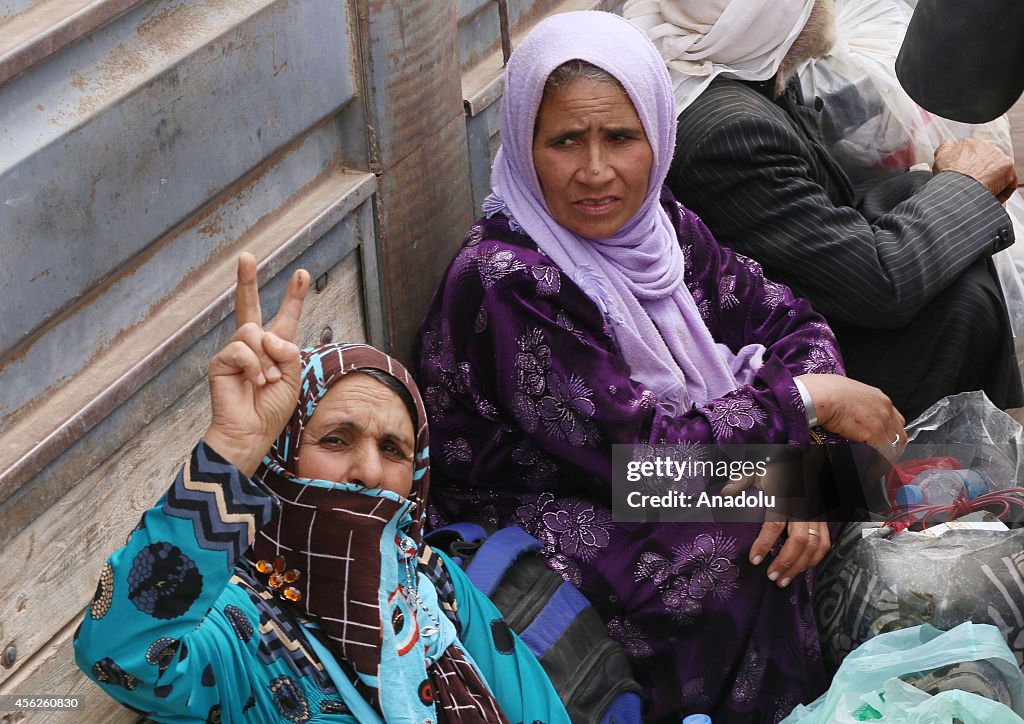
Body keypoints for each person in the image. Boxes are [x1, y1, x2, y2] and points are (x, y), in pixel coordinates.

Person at [412, 10, 903, 722]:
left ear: (658, 135)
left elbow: (789, 318)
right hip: (539, 513)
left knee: (822, 485)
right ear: (523, 145)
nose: (595, 171)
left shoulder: (660, 225)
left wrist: (806, 451)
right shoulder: (507, 279)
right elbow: (643, 460)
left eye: (621, 136)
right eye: (565, 141)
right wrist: (801, 413)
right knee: (740, 544)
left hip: (657, 480)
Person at [74, 254, 569, 723]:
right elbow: (123, 658)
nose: (369, 472)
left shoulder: (429, 584)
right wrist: (233, 449)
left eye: (395, 450)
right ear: (280, 456)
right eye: (336, 440)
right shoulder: (237, 625)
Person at [626, 0, 1023, 421]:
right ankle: (960, 459)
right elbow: (878, 287)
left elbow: (828, 216)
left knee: (936, 220)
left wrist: (946, 193)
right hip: (783, 374)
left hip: (803, 309)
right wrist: (966, 185)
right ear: (762, 15)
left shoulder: (745, 71)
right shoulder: (728, 129)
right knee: (965, 302)